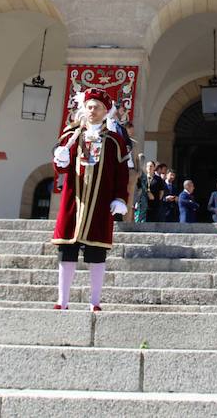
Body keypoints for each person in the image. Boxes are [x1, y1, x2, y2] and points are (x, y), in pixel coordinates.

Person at [51, 87, 130, 311]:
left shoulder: (115, 141)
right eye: (90, 106)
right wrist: (61, 160)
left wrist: (120, 198)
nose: (93, 110)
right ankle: (62, 301)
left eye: (98, 107)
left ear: (106, 111)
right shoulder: (71, 135)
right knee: (67, 250)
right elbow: (60, 169)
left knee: (97, 252)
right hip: (74, 200)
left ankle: (95, 302)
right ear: (83, 108)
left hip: (100, 203)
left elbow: (121, 174)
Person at [134, 158, 155, 223]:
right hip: (138, 198)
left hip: (144, 199)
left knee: (142, 215)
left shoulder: (144, 175)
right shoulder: (138, 173)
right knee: (138, 215)